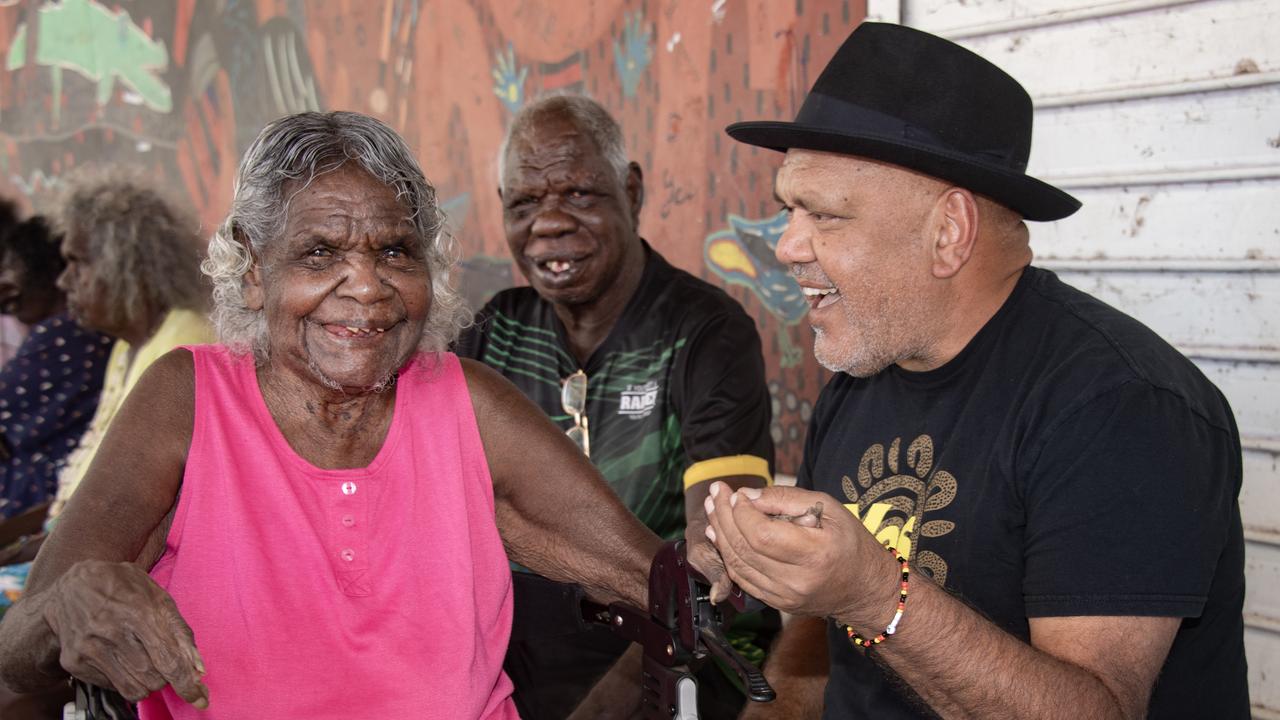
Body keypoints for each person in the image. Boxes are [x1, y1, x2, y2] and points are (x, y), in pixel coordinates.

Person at [0, 111, 671, 719]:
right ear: (256, 268)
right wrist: (66, 606)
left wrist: (730, 563)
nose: (367, 286)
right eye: (320, 252)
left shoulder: (469, 403)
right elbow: (17, 650)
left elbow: (654, 578)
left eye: (394, 251)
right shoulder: (186, 398)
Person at [702, 22, 1248, 719]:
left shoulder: (1121, 406)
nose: (787, 245)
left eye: (826, 216)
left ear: (949, 232)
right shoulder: (862, 378)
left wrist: (875, 593)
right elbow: (820, 636)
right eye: (788, 208)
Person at [456, 94, 775, 719]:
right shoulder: (490, 334)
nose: (547, 223)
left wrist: (611, 705)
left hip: (665, 656)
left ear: (631, 190)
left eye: (577, 194)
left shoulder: (705, 333)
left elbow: (720, 562)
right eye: (524, 204)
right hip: (512, 664)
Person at [47, 169, 216, 518]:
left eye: (77, 263)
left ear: (125, 263)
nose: (64, 281)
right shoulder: (128, 346)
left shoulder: (183, 344)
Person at [0, 215, 113, 520]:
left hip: (49, 506)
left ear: (51, 270)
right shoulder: (67, 331)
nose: (4, 284)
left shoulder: (64, 334)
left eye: (11, 267)